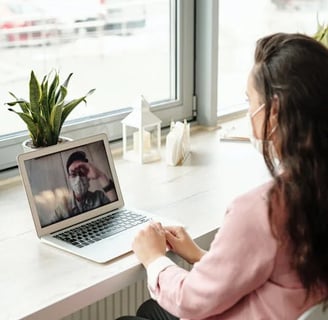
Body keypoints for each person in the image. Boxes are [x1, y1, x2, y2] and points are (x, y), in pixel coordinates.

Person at [116, 33, 328, 320]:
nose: (249, 111)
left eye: (250, 101)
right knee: (151, 311)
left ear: (274, 111)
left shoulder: (263, 210)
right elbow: (278, 279)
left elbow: (189, 301)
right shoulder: (315, 191)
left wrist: (153, 258)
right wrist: (200, 256)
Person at [55, 150, 118, 218]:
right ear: (69, 178)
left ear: (88, 177)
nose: (78, 179)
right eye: (73, 174)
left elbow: (117, 211)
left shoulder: (99, 197)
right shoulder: (62, 208)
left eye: (82, 173)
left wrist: (101, 176)